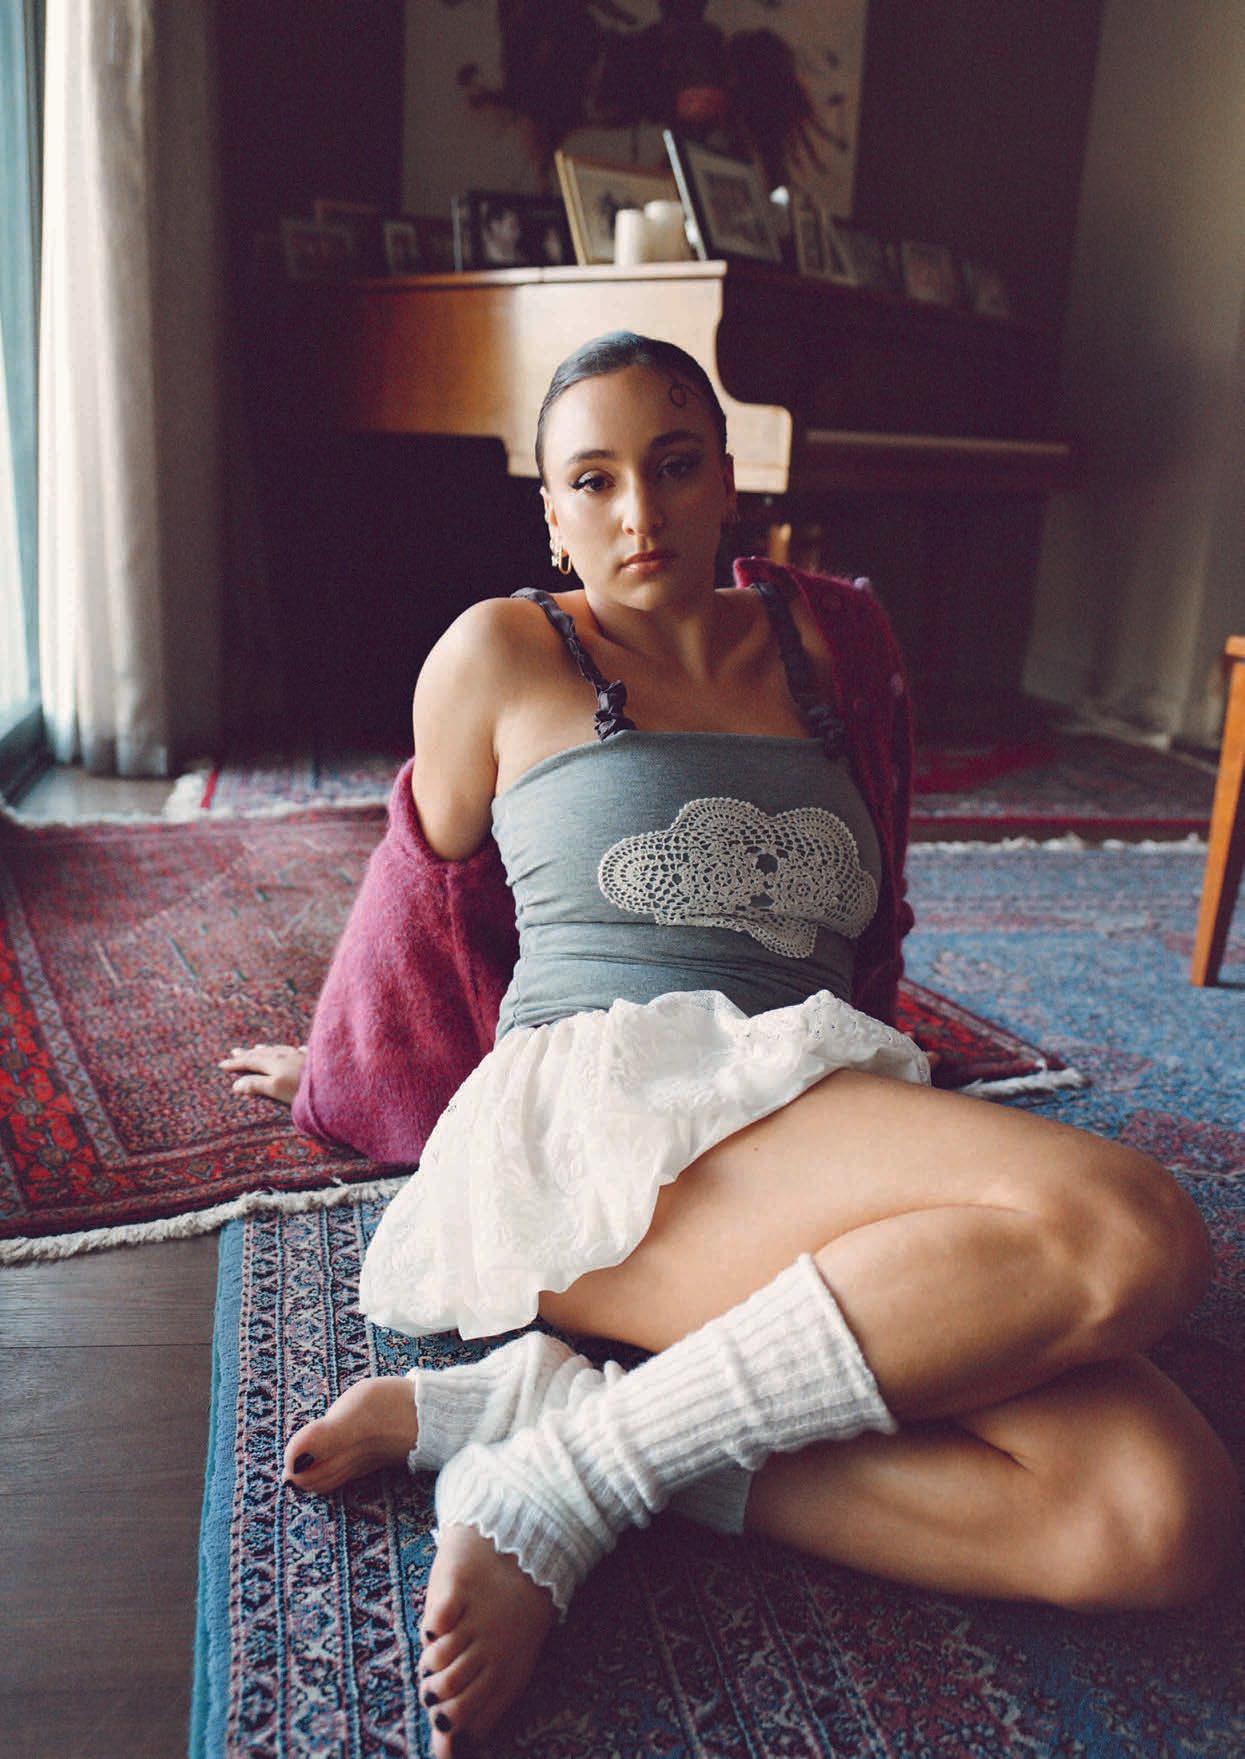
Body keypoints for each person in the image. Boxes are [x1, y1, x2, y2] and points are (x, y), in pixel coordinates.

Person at [220, 332, 1238, 1759]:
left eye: (674, 465)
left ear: (728, 483)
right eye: (593, 480)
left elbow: (871, 925)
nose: (638, 511)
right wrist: (343, 1069)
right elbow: (421, 901)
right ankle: (558, 1490)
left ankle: (567, 1421)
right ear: (550, 513)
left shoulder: (832, 648)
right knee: (1131, 1231)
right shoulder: (500, 653)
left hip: (809, 1095)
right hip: (599, 1131)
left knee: (1155, 1520)